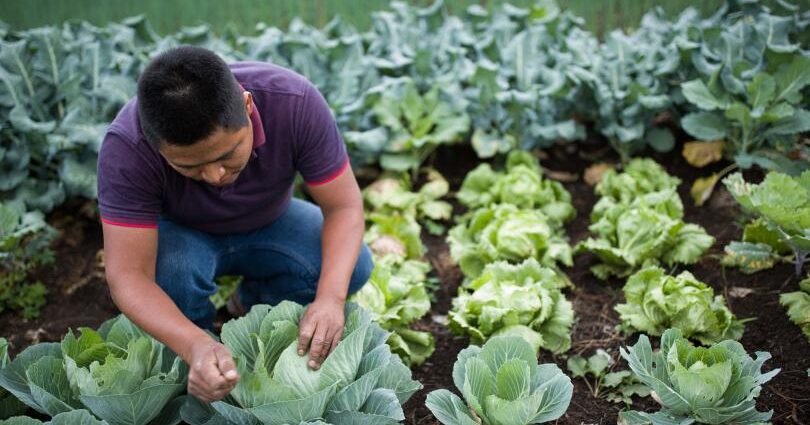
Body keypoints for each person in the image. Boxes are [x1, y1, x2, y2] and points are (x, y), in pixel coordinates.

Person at [96, 46, 373, 403]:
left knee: (351, 267)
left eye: (227, 155)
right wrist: (194, 343)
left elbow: (344, 208)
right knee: (173, 277)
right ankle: (197, 349)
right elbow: (128, 274)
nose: (214, 176)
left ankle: (250, 303)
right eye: (189, 167)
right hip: (183, 234)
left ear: (247, 105)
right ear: (155, 146)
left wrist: (330, 299)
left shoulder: (294, 101)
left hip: (271, 221)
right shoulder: (127, 146)